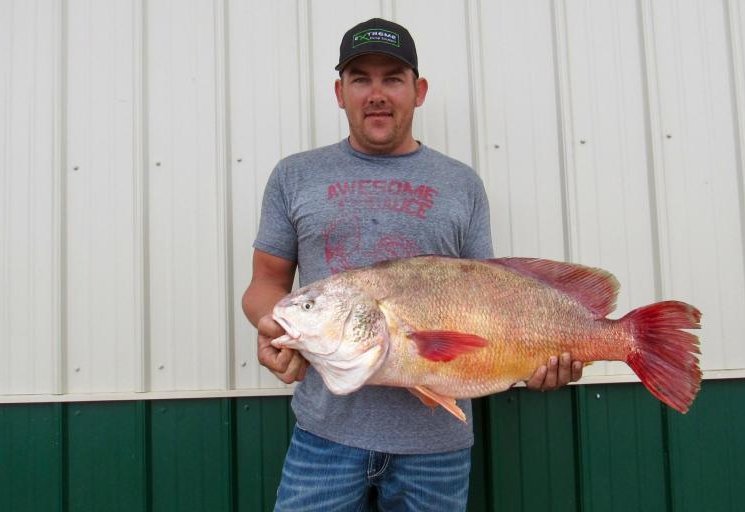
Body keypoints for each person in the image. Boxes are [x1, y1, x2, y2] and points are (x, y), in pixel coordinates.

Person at [241, 18, 584, 512]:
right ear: (340, 92)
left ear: (418, 91)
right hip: (325, 435)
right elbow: (265, 284)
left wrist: (535, 357)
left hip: (436, 447)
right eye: (361, 78)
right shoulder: (294, 176)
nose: (376, 94)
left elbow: (490, 302)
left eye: (393, 78)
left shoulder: (461, 184)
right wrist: (272, 326)